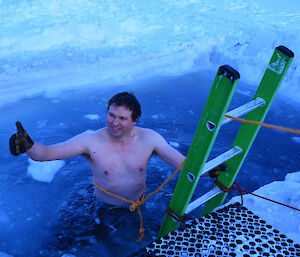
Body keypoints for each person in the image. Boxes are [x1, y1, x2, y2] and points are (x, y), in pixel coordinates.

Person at [9, 92, 187, 206]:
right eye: (111, 115)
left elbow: (184, 165)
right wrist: (29, 146)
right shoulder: (90, 142)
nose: (114, 123)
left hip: (141, 204)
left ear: (135, 120)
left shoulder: (150, 139)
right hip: (105, 209)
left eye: (122, 118)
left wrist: (212, 171)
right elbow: (48, 153)